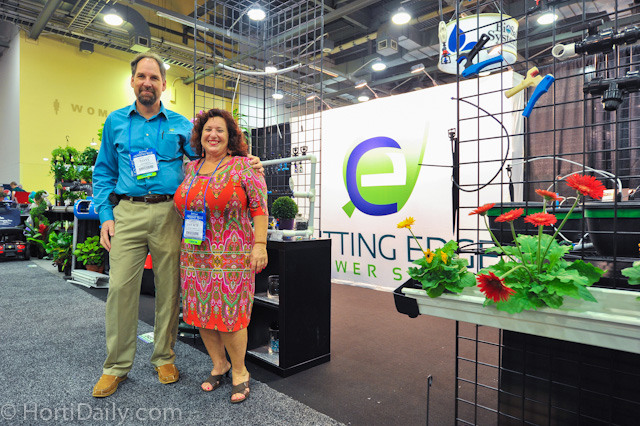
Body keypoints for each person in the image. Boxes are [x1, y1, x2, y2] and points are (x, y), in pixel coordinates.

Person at [91, 53, 261, 398]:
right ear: (132, 81)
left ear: (164, 85)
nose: (147, 83)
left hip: (171, 212)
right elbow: (103, 171)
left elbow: (211, 157)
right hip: (127, 211)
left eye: (154, 78)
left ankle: (164, 357)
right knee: (120, 289)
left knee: (169, 288)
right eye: (142, 76)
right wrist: (105, 215)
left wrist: (246, 160)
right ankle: (116, 367)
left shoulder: (182, 125)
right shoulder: (115, 122)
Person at [174, 108, 268, 404]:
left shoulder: (245, 166)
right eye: (207, 130)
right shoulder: (191, 169)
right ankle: (219, 364)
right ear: (199, 136)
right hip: (194, 253)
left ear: (230, 138)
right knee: (201, 313)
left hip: (233, 254)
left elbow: (260, 208)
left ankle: (240, 371)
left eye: (220, 130)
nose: (213, 135)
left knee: (231, 316)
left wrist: (260, 244)